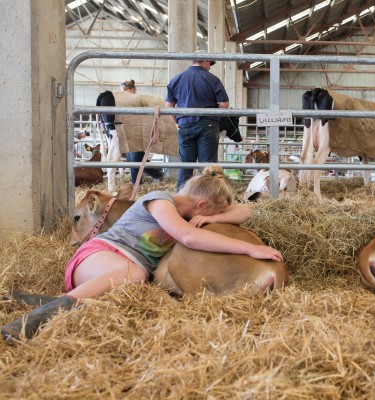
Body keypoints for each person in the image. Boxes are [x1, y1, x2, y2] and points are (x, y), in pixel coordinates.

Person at [1, 166, 283, 342]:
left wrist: (211, 219)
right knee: (135, 275)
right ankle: (31, 321)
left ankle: (50, 302)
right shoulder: (159, 199)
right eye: (215, 213)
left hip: (119, 272)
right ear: (200, 204)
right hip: (98, 255)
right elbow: (188, 237)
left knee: (133, 280)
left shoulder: (188, 214)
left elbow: (245, 211)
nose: (218, 218)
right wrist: (250, 247)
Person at [165, 50, 229, 191]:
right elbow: (224, 105)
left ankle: (181, 197)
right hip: (208, 125)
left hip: (184, 125)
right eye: (210, 63)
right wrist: (215, 119)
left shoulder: (177, 78)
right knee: (208, 166)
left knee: (185, 165)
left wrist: (177, 123)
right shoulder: (213, 79)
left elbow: (169, 106)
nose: (210, 67)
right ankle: (208, 197)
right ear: (205, 61)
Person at [120, 79, 165, 183]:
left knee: (136, 159)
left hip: (139, 134)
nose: (123, 94)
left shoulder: (140, 101)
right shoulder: (125, 103)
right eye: (122, 91)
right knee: (133, 159)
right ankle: (157, 175)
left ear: (132, 90)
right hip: (129, 134)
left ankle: (138, 184)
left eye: (125, 91)